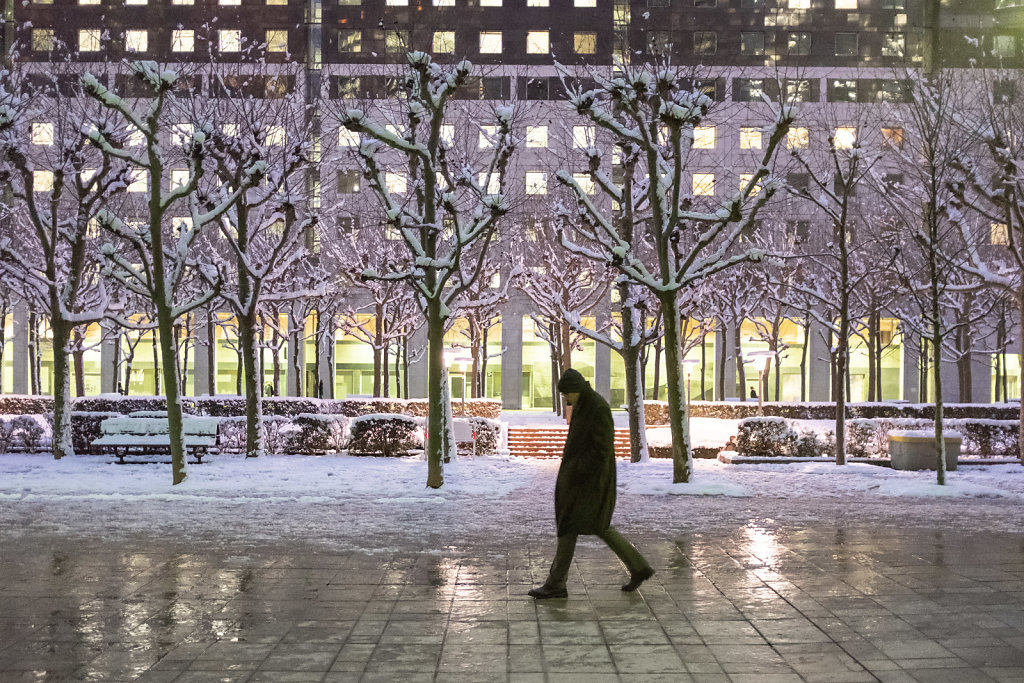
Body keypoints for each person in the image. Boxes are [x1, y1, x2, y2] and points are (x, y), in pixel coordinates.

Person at [528, 368, 654, 599]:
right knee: (581, 527)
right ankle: (638, 568)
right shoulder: (585, 405)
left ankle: (557, 583)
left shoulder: (596, 407)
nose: (566, 399)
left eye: (567, 394)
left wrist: (577, 470)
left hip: (590, 483)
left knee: (582, 526)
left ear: (576, 390)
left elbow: (602, 447)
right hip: (584, 480)